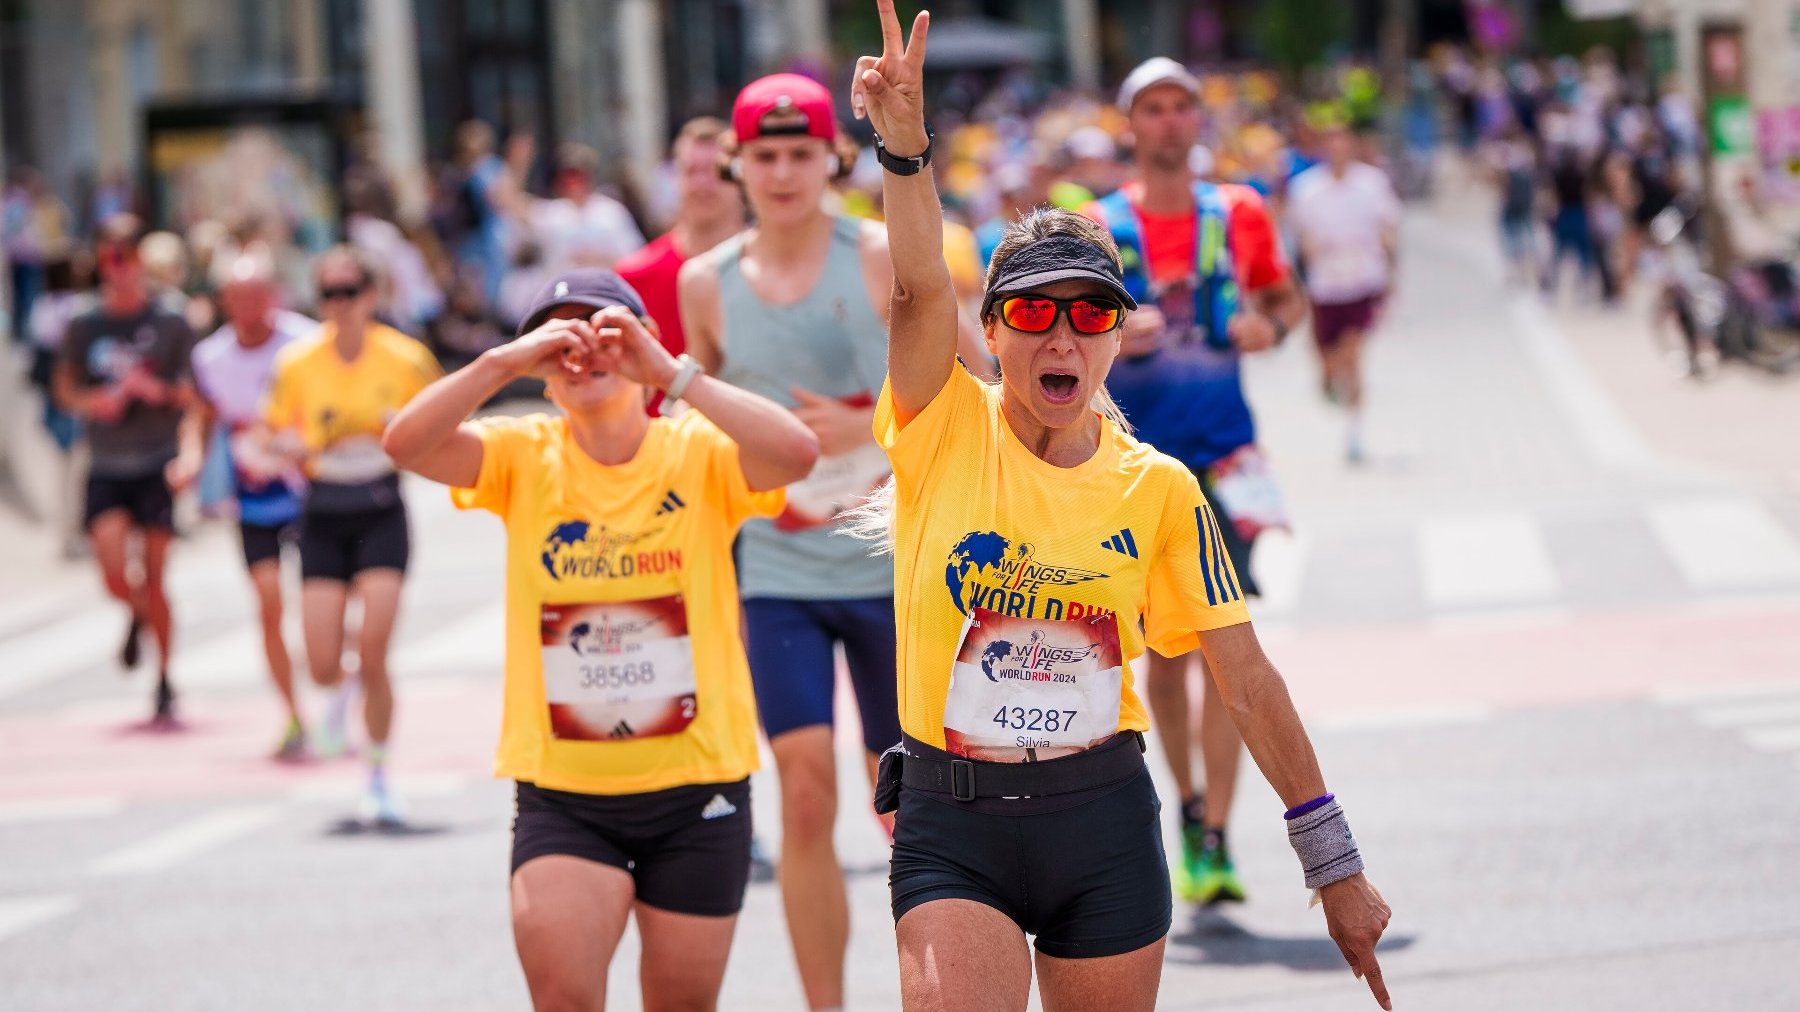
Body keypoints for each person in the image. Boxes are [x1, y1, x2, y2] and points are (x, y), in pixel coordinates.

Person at [848, 9, 1392, 1009]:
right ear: (996, 331)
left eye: (1090, 312)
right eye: (1033, 312)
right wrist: (906, 148)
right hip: (952, 818)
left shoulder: (1159, 487)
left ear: (1115, 333)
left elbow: (1246, 679)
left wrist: (1334, 861)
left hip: (1099, 821)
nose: (1062, 335)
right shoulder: (942, 426)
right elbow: (921, 290)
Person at [381, 269, 818, 1011]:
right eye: (562, 336)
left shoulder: (697, 451)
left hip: (696, 789)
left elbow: (797, 454)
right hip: (566, 795)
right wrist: (506, 362)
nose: (584, 349)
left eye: (605, 330)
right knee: (564, 999)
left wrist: (670, 372)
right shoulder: (522, 454)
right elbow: (407, 443)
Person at [678, 71, 988, 1011]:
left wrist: (866, 427)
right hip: (777, 569)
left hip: (892, 566)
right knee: (804, 791)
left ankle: (935, 987)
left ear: (832, 157)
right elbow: (707, 424)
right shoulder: (706, 284)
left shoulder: (877, 253)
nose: (781, 173)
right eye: (763, 156)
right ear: (735, 164)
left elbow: (974, 375)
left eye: (799, 153)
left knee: (908, 804)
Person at [1082, 56, 1308, 908]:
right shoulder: (1098, 226)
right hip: (1133, 469)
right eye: (1155, 109)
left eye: (1183, 107)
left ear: (1197, 123)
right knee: (1164, 666)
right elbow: (1060, 335)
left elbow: (1287, 305)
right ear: (1131, 126)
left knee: (1228, 651)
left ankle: (1215, 828)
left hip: (1222, 461)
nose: (1171, 122)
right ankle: (1186, 807)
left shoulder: (1238, 213)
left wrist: (1266, 326)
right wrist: (1110, 331)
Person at [259, 246, 442, 823]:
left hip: (381, 502)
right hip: (323, 507)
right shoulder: (297, 362)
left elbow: (445, 421)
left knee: (375, 646)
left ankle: (380, 773)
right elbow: (270, 434)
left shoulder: (405, 357)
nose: (339, 305)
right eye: (328, 295)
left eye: (349, 292)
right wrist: (287, 447)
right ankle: (339, 694)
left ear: (371, 295)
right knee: (319, 659)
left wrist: (405, 435)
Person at [53, 219, 199, 725]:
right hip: (108, 460)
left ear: (141, 263)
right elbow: (65, 389)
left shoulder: (170, 320)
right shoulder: (83, 322)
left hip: (156, 456)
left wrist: (156, 392)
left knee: (157, 576)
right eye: (109, 261)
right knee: (113, 572)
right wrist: (95, 402)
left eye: (127, 259)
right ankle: (136, 612)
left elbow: (194, 393)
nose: (119, 272)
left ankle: (164, 677)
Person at [173, 249, 318, 758]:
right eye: (237, 298)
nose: (249, 307)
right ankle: (293, 714)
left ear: (274, 295)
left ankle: (337, 680)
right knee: (269, 603)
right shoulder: (211, 356)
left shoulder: (305, 343)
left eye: (257, 296)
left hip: (311, 491)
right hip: (254, 499)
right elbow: (201, 415)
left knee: (324, 607)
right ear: (224, 302)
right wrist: (190, 459)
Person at [1287, 120, 1402, 465]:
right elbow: (1300, 239)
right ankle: (1328, 378)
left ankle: (1354, 430)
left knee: (1353, 356)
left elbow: (1388, 229)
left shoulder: (1372, 183)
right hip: (1325, 285)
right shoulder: (1306, 189)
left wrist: (1392, 275)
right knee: (1329, 360)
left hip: (1364, 281)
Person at [616, 116, 746, 414]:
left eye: (714, 171)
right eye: (690, 171)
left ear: (740, 174)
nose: (702, 183)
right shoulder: (634, 277)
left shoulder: (772, 268)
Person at [533, 142, 646, 275]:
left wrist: (600, 260)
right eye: (568, 177)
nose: (574, 184)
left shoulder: (612, 212)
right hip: (564, 290)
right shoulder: (551, 213)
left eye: (578, 176)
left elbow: (637, 259)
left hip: (604, 288)